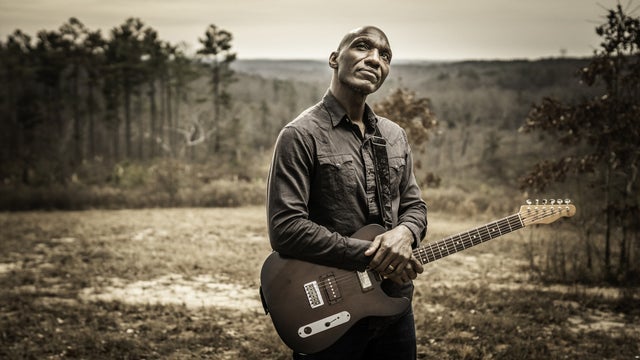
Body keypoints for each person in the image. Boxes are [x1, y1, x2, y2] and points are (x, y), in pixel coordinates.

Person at [266, 25, 428, 359]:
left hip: (394, 303)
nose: (375, 59)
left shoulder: (395, 135)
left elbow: (415, 207)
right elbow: (286, 229)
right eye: (363, 47)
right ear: (334, 59)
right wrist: (374, 254)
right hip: (329, 310)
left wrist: (404, 233)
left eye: (385, 56)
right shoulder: (300, 134)